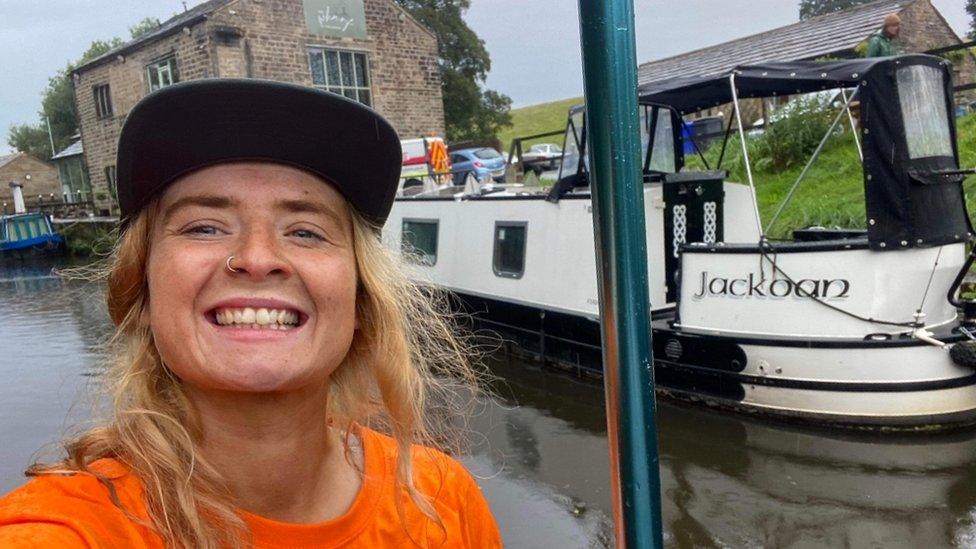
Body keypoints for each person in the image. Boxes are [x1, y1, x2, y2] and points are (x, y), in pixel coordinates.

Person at [0, 79, 501, 548]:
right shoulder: (69, 529)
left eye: (305, 231)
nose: (258, 258)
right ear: (142, 292)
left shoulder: (442, 502)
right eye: (204, 227)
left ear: (361, 301)